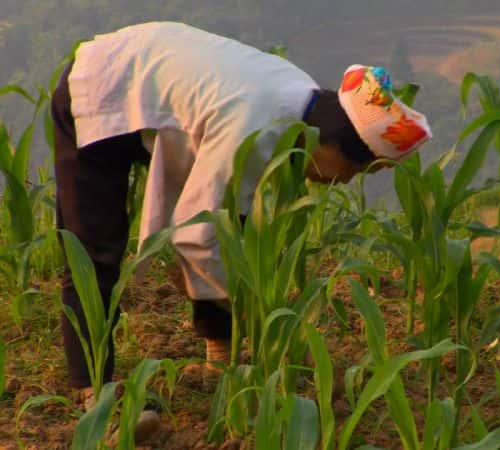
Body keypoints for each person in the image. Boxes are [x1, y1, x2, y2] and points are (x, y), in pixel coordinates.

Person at [51, 21, 431, 442]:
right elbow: (196, 234)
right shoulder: (259, 123)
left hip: (161, 90)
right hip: (103, 86)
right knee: (93, 250)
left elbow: (226, 223)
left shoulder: (301, 103)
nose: (344, 182)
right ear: (331, 142)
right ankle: (96, 396)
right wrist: (275, 328)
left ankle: (219, 356)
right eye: (354, 169)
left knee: (232, 225)